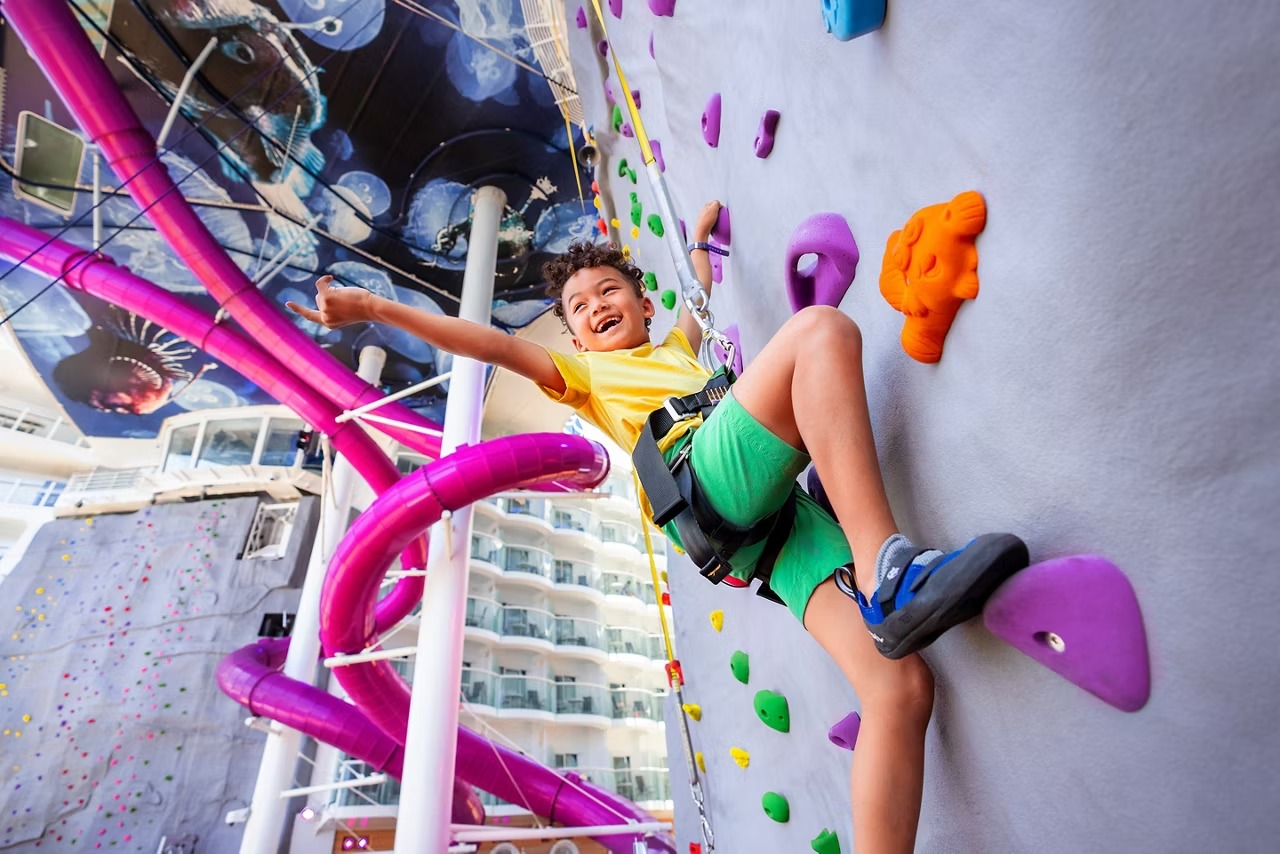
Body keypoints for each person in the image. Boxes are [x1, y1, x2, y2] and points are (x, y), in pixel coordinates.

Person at [288, 200, 1029, 853]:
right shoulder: (585, 379)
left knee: (900, 689)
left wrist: (700, 241)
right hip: (709, 487)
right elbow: (490, 344)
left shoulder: (676, 348)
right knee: (819, 334)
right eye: (580, 307)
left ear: (642, 306)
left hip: (767, 539)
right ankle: (886, 575)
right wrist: (376, 310)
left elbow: (694, 293)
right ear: (575, 340)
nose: (596, 305)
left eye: (610, 291)